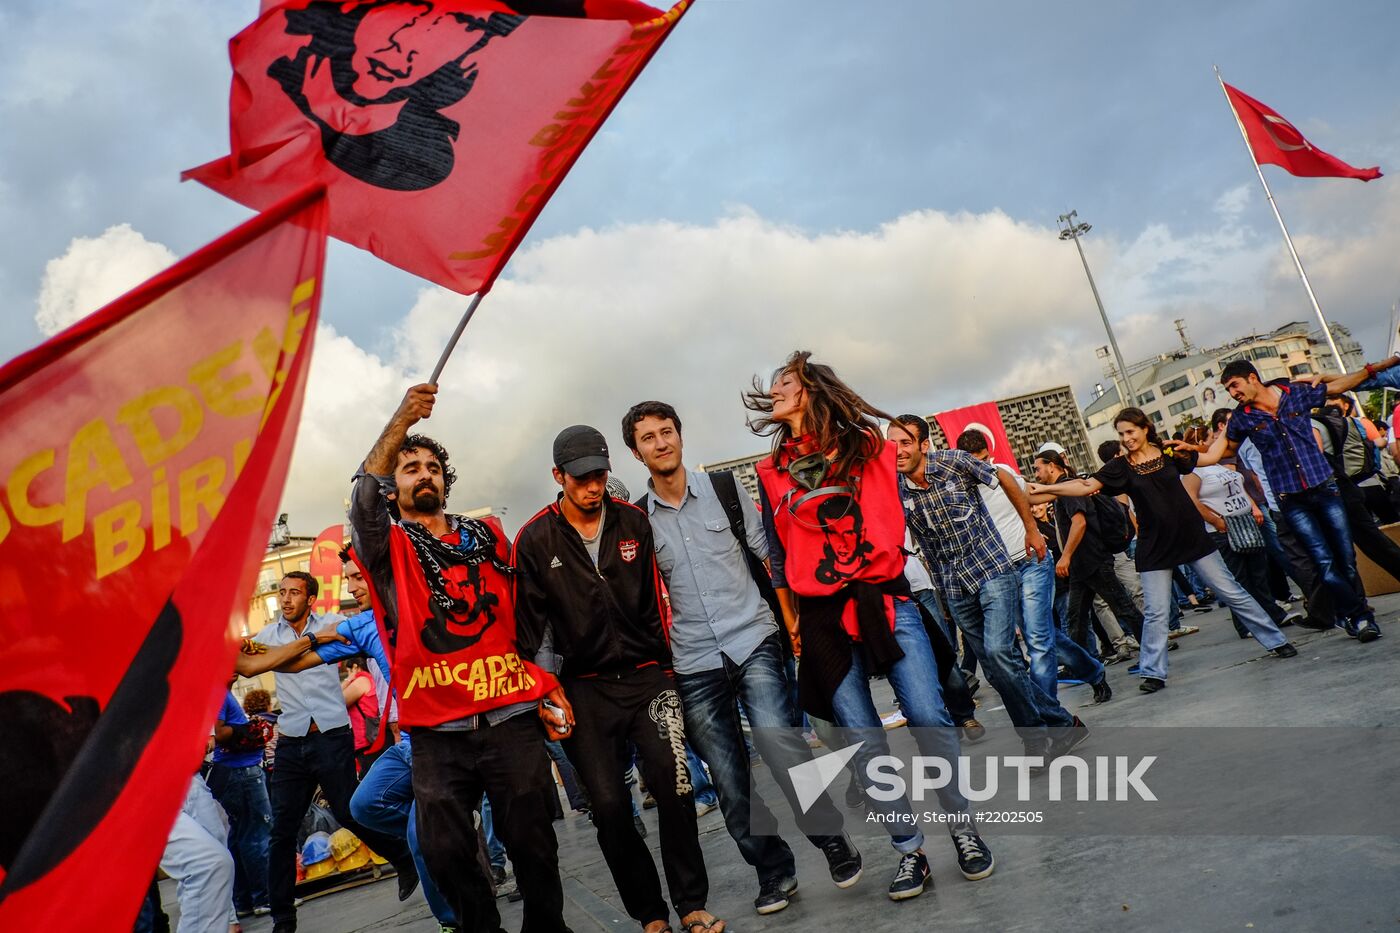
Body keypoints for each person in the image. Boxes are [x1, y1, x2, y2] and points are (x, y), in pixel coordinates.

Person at [745, 353, 995, 904]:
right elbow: (779, 554)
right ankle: (911, 849)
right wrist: (793, 623)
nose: (776, 390)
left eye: (786, 382)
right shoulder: (771, 471)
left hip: (884, 598)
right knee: (861, 738)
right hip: (821, 617)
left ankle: (964, 829)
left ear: (811, 390)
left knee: (928, 713)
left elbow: (894, 504)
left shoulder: (868, 448)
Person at [623, 400, 863, 916]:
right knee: (730, 782)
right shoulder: (638, 521)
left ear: (681, 437)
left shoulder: (725, 491)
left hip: (752, 637)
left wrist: (793, 621)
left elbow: (769, 554)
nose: (661, 443)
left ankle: (832, 840)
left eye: (667, 432)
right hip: (691, 662)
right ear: (636, 452)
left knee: (783, 749)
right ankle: (773, 869)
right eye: (648, 438)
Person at [347, 384, 573, 933]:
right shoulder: (387, 550)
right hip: (436, 730)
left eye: (432, 467)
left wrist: (544, 681)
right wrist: (402, 420)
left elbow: (529, 617)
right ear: (393, 486)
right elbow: (360, 501)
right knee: (444, 850)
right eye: (409, 468)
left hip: (509, 717)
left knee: (533, 842)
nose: (423, 475)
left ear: (445, 480)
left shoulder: (488, 538)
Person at [514, 424, 726, 933]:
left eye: (600, 476)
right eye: (582, 478)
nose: (593, 487)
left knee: (675, 788)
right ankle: (650, 914)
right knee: (608, 807)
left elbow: (660, 596)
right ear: (558, 476)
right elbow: (529, 629)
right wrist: (546, 691)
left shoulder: (633, 522)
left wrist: (670, 666)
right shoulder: (535, 538)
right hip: (583, 689)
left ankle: (691, 903)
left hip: (649, 677)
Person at [1030, 408, 1296, 693]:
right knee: (1156, 612)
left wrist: (1229, 427)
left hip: (1193, 538)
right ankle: (1153, 672)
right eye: (1121, 434)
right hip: (1154, 546)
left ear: (1145, 428)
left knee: (1231, 591)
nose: (1127, 438)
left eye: (1130, 431)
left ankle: (1276, 641)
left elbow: (1211, 457)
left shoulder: (1170, 452)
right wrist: (1039, 489)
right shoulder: (1120, 467)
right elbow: (1085, 486)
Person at [888, 412, 1085, 757]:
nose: (897, 450)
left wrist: (1031, 528)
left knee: (998, 653)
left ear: (923, 444)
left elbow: (1007, 480)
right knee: (998, 669)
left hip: (992, 569)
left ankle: (1034, 739)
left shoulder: (955, 462)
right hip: (952, 585)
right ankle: (1062, 725)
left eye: (905, 442)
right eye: (891, 443)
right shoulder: (894, 487)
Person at [249, 572, 417, 932]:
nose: (286, 598)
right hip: (292, 740)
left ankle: (403, 858)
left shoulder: (335, 623)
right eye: (282, 592)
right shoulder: (268, 637)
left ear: (311, 599)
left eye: (294, 592)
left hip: (331, 734)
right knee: (282, 830)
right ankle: (283, 917)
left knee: (350, 811)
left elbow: (373, 636)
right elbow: (246, 659)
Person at [1195, 357, 1400, 642]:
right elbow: (1214, 454)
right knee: (1324, 563)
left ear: (1253, 378)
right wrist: (1186, 453)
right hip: (1291, 500)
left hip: (1326, 489)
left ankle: (1349, 614)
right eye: (1228, 389)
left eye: (1234, 385)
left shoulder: (1294, 393)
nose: (1232, 393)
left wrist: (1373, 369)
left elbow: (1342, 384)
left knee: (1346, 560)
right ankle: (1361, 617)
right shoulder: (1243, 417)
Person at [957, 429, 1110, 704]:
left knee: (1038, 639)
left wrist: (1070, 490)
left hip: (1031, 562)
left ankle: (1049, 713)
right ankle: (1094, 671)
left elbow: (1033, 493)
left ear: (988, 455)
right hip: (999, 573)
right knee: (1040, 635)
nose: (980, 466)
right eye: (973, 461)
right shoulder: (959, 488)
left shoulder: (1001, 472)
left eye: (983, 459)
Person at [1031, 448, 1145, 676]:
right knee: (1076, 618)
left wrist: (1066, 556)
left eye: (1038, 468)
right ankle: (1078, 666)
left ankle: (1152, 652)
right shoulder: (1060, 491)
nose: (1035, 473)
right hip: (1081, 567)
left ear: (1051, 466)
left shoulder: (1068, 488)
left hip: (1093, 560)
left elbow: (1079, 523)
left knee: (1123, 608)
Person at [1180, 426, 1298, 639]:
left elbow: (1240, 488)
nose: (1217, 442)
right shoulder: (1193, 470)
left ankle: (1273, 613)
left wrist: (1252, 506)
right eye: (1212, 439)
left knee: (1259, 572)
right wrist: (1216, 521)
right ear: (1200, 443)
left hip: (1245, 521)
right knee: (1240, 578)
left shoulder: (1218, 465)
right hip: (1222, 530)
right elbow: (1190, 499)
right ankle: (1246, 624)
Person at [208, 689, 272, 919]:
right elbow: (218, 732)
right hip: (242, 772)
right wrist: (243, 729)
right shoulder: (217, 693)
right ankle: (264, 897)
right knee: (257, 833)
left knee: (241, 834)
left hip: (237, 771)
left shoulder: (220, 692)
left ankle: (244, 900)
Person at [340, 656, 381, 775]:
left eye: (348, 671)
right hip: (373, 737)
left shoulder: (362, 680)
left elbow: (338, 702)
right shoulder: (372, 678)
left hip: (365, 740)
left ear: (354, 667)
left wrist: (348, 679)